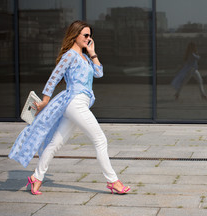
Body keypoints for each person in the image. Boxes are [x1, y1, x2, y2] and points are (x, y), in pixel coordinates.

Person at [9, 20, 130, 195]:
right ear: (75, 36)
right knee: (100, 140)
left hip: (77, 104)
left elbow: (99, 73)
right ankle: (114, 182)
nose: (89, 38)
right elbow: (54, 78)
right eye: (85, 35)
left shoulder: (85, 57)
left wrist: (92, 52)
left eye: (90, 35)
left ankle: (36, 177)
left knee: (55, 143)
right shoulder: (69, 56)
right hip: (75, 102)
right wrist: (44, 101)